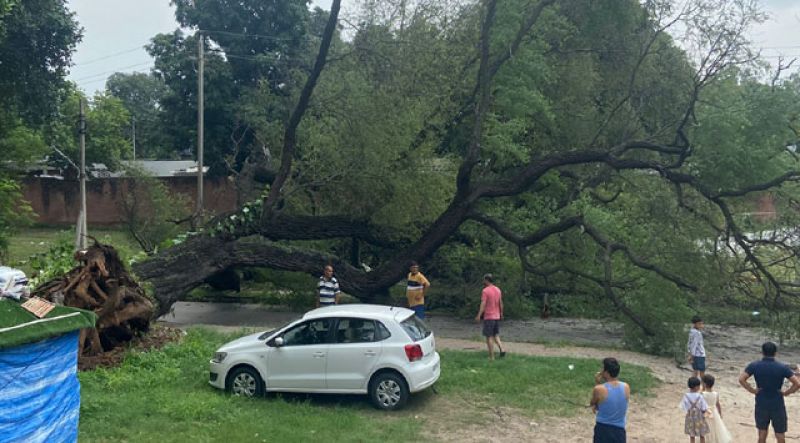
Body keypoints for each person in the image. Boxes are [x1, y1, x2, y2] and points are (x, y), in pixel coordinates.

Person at [739, 341, 800, 443]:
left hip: (761, 402)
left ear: (762, 352)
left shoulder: (755, 365)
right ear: (775, 353)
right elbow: (797, 383)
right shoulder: (782, 367)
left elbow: (741, 379)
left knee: (762, 434)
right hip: (777, 403)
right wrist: (787, 392)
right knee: (780, 434)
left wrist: (752, 390)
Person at [590, 357, 629, 443]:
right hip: (619, 431)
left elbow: (593, 404)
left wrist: (597, 382)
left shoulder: (599, 389)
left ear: (607, 373)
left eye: (602, 369)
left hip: (603, 429)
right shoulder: (626, 387)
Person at [474, 273, 505, 360]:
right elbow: (500, 303)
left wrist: (479, 315)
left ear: (487, 280)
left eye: (484, 280)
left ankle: (491, 356)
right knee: (496, 334)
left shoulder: (485, 291)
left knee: (489, 336)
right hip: (497, 316)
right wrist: (501, 313)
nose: (483, 281)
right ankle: (502, 349)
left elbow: (483, 304)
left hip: (489, 316)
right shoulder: (498, 290)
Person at [701, 374, 731, 443]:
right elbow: (718, 404)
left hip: (706, 412)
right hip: (714, 413)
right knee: (715, 428)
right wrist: (720, 414)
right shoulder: (716, 394)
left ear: (704, 384)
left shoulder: (702, 394)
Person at [682, 376, 710, 443]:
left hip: (690, 417)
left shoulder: (686, 396)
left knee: (692, 435)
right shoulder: (700, 396)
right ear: (696, 387)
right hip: (699, 417)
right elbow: (704, 407)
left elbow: (684, 407)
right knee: (702, 434)